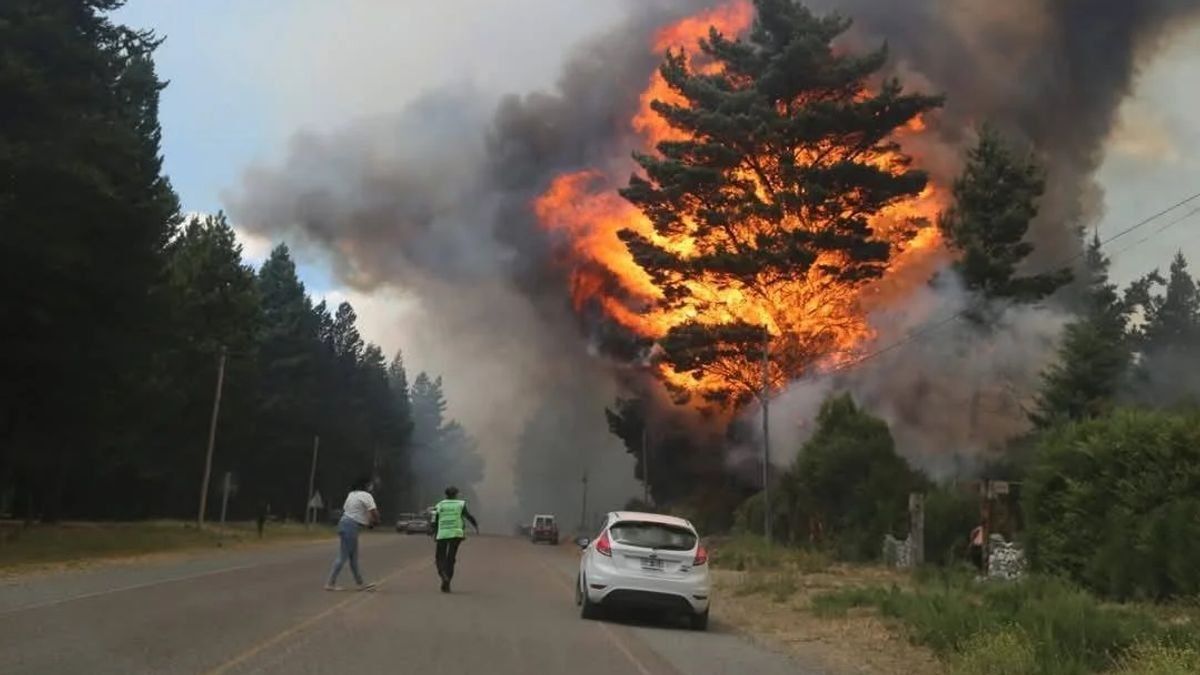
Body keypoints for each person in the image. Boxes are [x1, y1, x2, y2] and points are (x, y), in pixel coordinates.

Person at [326, 476, 379, 591]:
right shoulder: (366, 496)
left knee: (353, 558)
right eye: (370, 484)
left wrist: (368, 522)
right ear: (365, 485)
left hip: (345, 523)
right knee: (343, 556)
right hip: (351, 526)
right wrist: (375, 522)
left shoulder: (352, 494)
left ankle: (360, 584)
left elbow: (349, 510)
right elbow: (373, 512)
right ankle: (330, 583)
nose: (371, 487)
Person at [429, 485, 479, 593]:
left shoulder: (440, 505)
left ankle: (443, 574)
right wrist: (475, 525)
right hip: (456, 534)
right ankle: (447, 582)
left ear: (446, 495)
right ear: (456, 494)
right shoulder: (460, 504)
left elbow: (434, 520)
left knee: (440, 557)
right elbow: (468, 516)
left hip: (443, 533)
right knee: (451, 558)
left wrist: (432, 530)